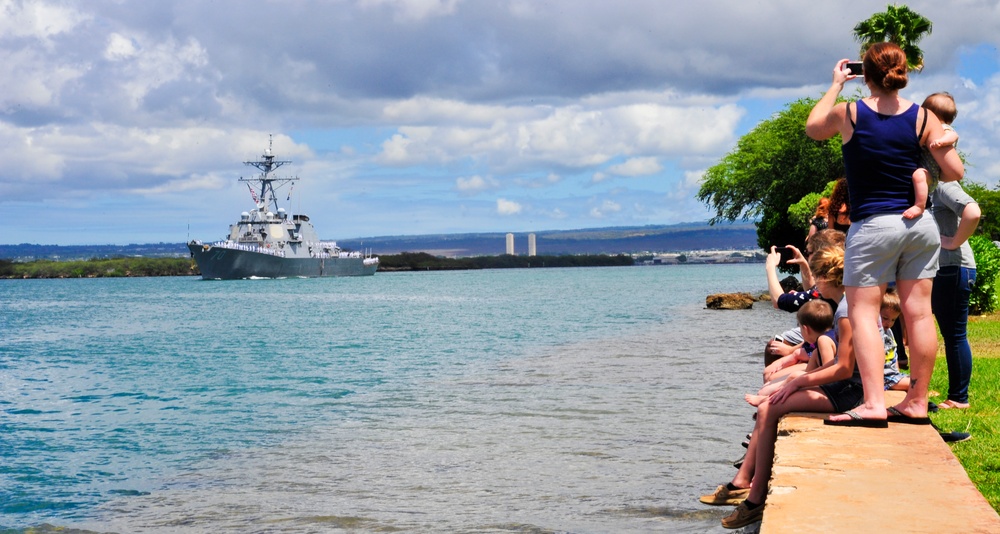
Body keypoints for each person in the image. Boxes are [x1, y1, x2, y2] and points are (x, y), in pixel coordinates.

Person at [805, 42, 964, 426]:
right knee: (920, 315)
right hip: (919, 224)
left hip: (874, 225)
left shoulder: (851, 113)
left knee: (863, 314)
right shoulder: (924, 117)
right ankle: (917, 402)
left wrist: (836, 85)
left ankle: (874, 403)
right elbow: (955, 172)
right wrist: (947, 139)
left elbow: (813, 128)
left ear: (866, 74)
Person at [699, 246, 860, 529]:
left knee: (770, 406)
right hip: (840, 385)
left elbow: (845, 368)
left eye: (815, 276)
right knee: (768, 404)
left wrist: (799, 380)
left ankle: (753, 499)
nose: (811, 284)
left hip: (847, 391)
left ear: (825, 279)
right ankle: (747, 488)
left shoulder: (846, 311)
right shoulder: (844, 304)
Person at [931, 179, 980, 409]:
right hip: (950, 269)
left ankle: (959, 397)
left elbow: (972, 212)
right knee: (953, 334)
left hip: (954, 267)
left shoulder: (943, 185)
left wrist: (952, 242)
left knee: (955, 335)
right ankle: (958, 394)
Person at [748, 299, 837, 404]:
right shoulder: (825, 339)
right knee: (774, 385)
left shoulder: (823, 341)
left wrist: (800, 379)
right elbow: (810, 369)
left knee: (791, 377)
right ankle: (769, 397)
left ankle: (769, 399)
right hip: (824, 382)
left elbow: (828, 371)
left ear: (805, 329)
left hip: (831, 390)